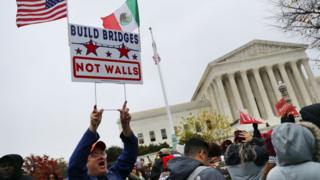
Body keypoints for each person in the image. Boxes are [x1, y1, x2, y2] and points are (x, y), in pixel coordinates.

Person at [68, 101, 138, 180]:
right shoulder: (81, 178)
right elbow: (74, 167)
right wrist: (93, 127)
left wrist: (125, 126)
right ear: (85, 162)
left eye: (102, 153)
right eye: (94, 155)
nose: (101, 157)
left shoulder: (116, 174)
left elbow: (131, 153)